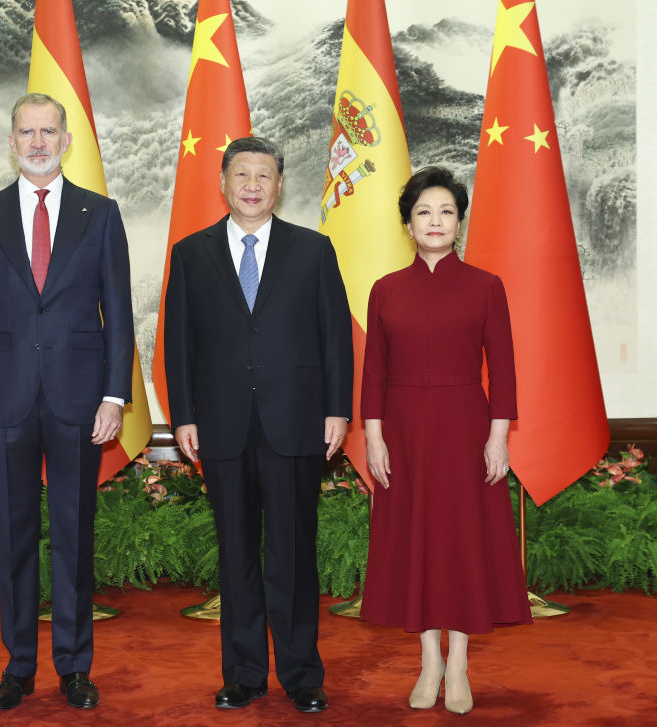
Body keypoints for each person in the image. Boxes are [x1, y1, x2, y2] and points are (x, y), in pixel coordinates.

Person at [0, 93, 134, 711]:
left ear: (65, 140)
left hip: (82, 401)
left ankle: (75, 666)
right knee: (15, 535)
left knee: (74, 536)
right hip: (2, 404)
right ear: (11, 141)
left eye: (47, 131)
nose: (37, 142)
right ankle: (19, 666)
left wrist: (115, 394)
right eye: (26, 131)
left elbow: (119, 313)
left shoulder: (101, 214)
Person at [163, 136, 353, 713]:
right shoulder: (192, 253)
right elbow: (178, 344)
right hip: (220, 426)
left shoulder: (312, 250)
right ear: (223, 183)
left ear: (279, 185)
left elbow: (335, 338)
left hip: (295, 422)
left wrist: (337, 409)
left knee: (294, 553)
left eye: (263, 175)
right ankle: (243, 674)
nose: (251, 185)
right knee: (236, 554)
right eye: (241, 174)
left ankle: (302, 676)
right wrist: (184, 418)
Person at [359, 166, 532, 714]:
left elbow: (502, 370)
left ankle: (458, 662)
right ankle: (427, 660)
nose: (435, 221)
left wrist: (498, 438)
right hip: (403, 428)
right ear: (408, 224)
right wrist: (375, 439)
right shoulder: (385, 290)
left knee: (461, 540)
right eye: (423, 212)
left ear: (459, 222)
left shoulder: (486, 286)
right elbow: (373, 374)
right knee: (416, 539)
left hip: (465, 424)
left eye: (446, 212)